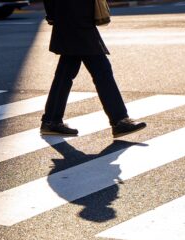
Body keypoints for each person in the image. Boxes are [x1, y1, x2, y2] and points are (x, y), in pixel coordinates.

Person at [41, 0, 146, 138]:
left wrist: (53, 14)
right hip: (76, 19)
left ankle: (51, 120)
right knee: (101, 69)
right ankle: (119, 120)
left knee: (66, 72)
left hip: (73, 17)